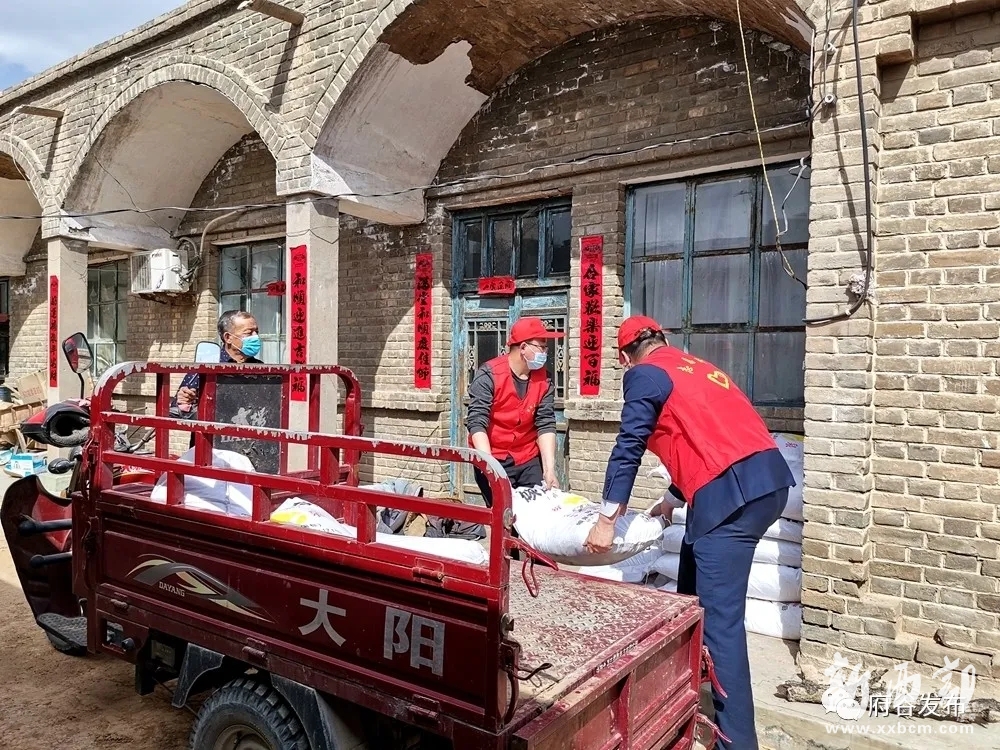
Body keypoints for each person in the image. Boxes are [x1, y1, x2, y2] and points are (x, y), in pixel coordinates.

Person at [584, 315, 794, 750]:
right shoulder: (697, 367)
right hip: (766, 483)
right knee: (690, 587)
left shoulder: (644, 374)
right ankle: (681, 693)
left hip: (731, 497)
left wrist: (606, 521)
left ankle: (738, 743)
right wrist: (671, 498)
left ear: (624, 357)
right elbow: (708, 435)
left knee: (721, 625)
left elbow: (629, 445)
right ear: (662, 339)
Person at [466, 317, 562, 507]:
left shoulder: (544, 379)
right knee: (504, 513)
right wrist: (490, 467)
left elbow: (545, 423)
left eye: (546, 347)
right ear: (523, 347)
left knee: (538, 508)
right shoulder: (489, 375)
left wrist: (549, 469)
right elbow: (476, 422)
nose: (545, 352)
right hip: (493, 455)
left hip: (527, 456)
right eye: (542, 347)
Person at [174, 310, 263, 416]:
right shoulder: (208, 365)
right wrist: (185, 400)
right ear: (228, 338)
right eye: (249, 333)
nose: (255, 337)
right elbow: (177, 407)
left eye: (256, 332)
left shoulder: (260, 367)